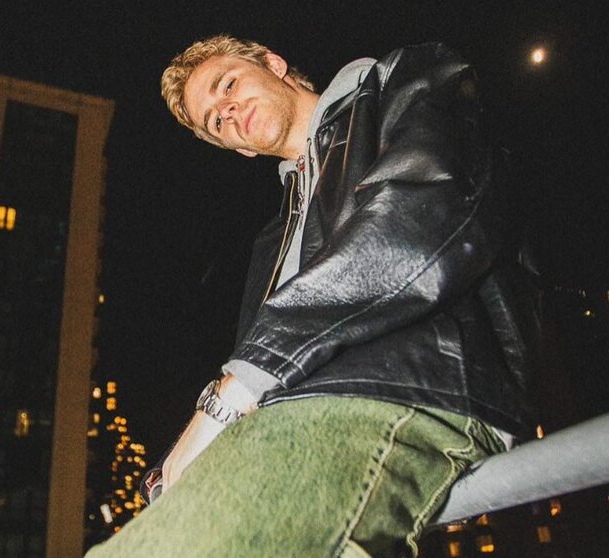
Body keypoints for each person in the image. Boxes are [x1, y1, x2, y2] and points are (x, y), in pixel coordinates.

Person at [85, 35, 541, 558]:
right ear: (240, 149)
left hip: (410, 393)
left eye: (227, 84)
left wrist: (222, 402)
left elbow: (420, 224)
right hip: (291, 430)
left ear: (274, 63)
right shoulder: (271, 245)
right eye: (215, 122)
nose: (228, 111)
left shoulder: (401, 83)